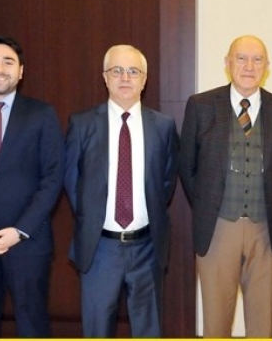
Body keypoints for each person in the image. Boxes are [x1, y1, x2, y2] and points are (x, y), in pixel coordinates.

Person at [179, 35, 272, 337]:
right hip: (218, 228)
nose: (249, 66)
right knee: (216, 322)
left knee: (261, 324)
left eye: (257, 60)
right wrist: (208, 204)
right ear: (227, 63)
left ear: (267, 66)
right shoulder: (201, 105)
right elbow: (187, 166)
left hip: (265, 229)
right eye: (241, 58)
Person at [64, 44, 178, 336]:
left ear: (144, 79)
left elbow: (165, 183)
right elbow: (72, 182)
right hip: (100, 248)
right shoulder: (82, 124)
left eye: (133, 71)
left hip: (147, 246)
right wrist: (93, 218)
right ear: (105, 77)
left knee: (148, 331)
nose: (125, 78)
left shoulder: (164, 126)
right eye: (117, 71)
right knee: (97, 330)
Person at [0, 36, 64, 337]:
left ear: (20, 71)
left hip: (28, 243)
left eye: (8, 62)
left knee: (32, 325)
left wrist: (19, 231)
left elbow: (53, 178)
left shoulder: (42, 114)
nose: (0, 69)